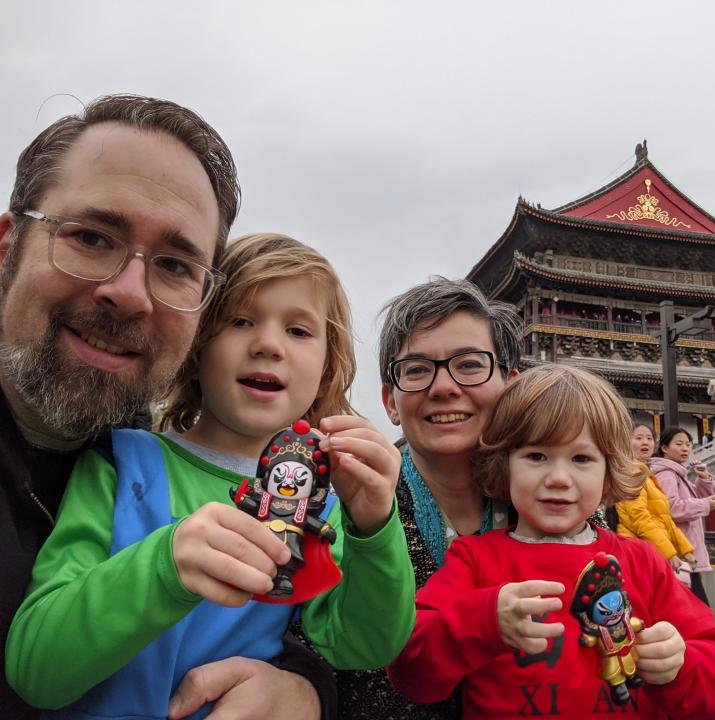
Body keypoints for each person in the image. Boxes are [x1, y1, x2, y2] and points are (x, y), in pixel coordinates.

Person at [0, 95, 328, 719]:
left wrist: (305, 687)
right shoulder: (132, 463)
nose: (129, 294)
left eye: (175, 265)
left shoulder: (144, 446)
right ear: (7, 247)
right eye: (92, 237)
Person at [6, 233, 415, 717]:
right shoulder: (119, 461)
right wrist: (165, 565)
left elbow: (362, 645)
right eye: (240, 320)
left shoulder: (325, 503)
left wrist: (374, 528)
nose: (267, 345)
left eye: (299, 331)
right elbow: (36, 670)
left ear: (327, 371)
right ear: (195, 349)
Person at [388, 365, 715, 719]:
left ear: (609, 471)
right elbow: (411, 673)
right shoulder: (474, 558)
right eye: (536, 456)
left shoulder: (642, 562)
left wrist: (680, 665)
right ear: (504, 464)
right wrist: (482, 621)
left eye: (582, 459)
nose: (558, 478)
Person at [334, 277, 522, 719]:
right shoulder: (347, 503)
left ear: (511, 384)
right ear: (391, 402)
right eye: (417, 370)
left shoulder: (567, 502)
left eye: (470, 364)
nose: (443, 387)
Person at [613, 424, 698, 586]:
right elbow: (640, 519)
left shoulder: (646, 474)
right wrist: (669, 553)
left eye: (649, 438)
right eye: (638, 438)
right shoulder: (632, 473)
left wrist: (685, 550)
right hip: (637, 550)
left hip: (651, 549)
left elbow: (664, 518)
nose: (645, 442)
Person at [649, 427, 715, 606]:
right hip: (679, 552)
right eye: (679, 444)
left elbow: (694, 497)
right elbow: (671, 508)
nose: (685, 449)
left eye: (688, 444)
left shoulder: (677, 473)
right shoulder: (667, 474)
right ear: (665, 448)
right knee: (698, 608)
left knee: (689, 608)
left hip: (683, 552)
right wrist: (705, 504)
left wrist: (704, 478)